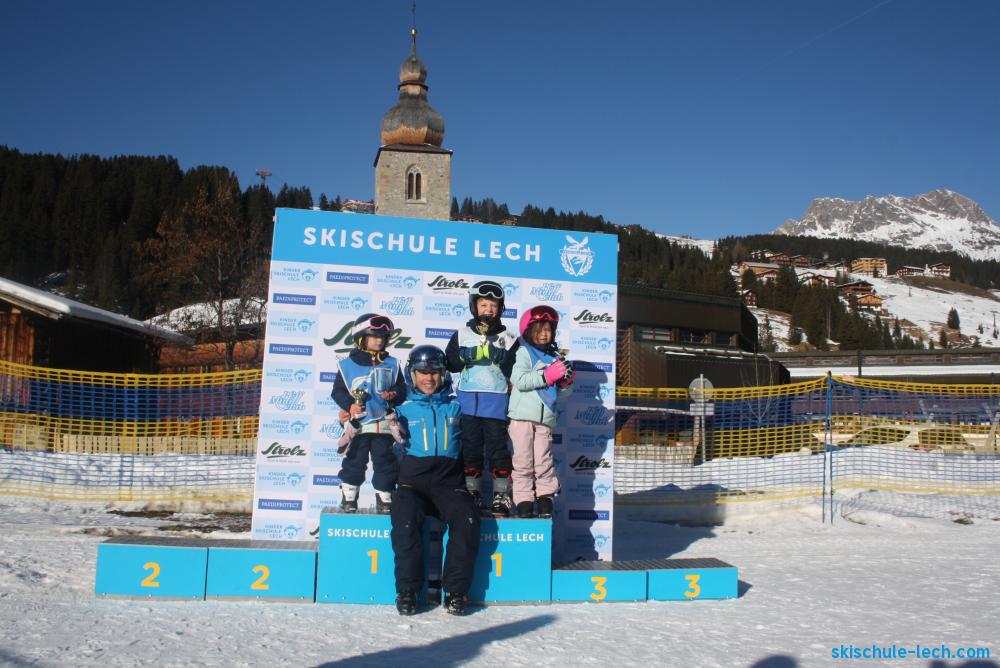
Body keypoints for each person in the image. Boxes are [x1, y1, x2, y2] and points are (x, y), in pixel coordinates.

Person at [391, 345, 481, 616]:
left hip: (449, 481)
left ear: (443, 375)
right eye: (422, 373)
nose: (428, 378)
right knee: (405, 523)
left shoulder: (456, 407)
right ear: (412, 375)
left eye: (434, 373)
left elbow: (474, 441)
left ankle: (455, 592)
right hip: (413, 482)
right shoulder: (401, 409)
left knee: (467, 518)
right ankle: (408, 591)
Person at [445, 280, 519, 516]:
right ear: (474, 306)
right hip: (467, 403)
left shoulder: (508, 337)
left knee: (498, 449)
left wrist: (504, 358)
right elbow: (450, 364)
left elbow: (516, 371)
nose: (489, 310)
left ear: (500, 308)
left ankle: (501, 494)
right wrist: (464, 356)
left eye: (493, 306)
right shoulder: (462, 334)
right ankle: (472, 492)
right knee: (470, 448)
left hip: (495, 403)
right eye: (484, 305)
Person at [330, 313, 407, 514]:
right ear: (361, 338)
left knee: (385, 461)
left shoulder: (392, 363)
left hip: (383, 424)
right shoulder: (347, 365)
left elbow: (402, 389)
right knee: (355, 460)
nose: (379, 341)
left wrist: (394, 394)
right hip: (359, 424)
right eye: (374, 336)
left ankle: (385, 495)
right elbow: (337, 391)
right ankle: (349, 495)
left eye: (382, 337)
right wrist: (350, 405)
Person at [507, 305, 575, 519]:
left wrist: (566, 383)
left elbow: (562, 394)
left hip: (545, 419)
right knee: (523, 461)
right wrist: (547, 375)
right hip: (521, 417)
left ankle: (545, 496)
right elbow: (519, 380)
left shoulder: (555, 357)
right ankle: (523, 500)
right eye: (539, 329)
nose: (544, 334)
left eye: (548, 329)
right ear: (528, 331)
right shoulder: (523, 352)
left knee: (544, 460)